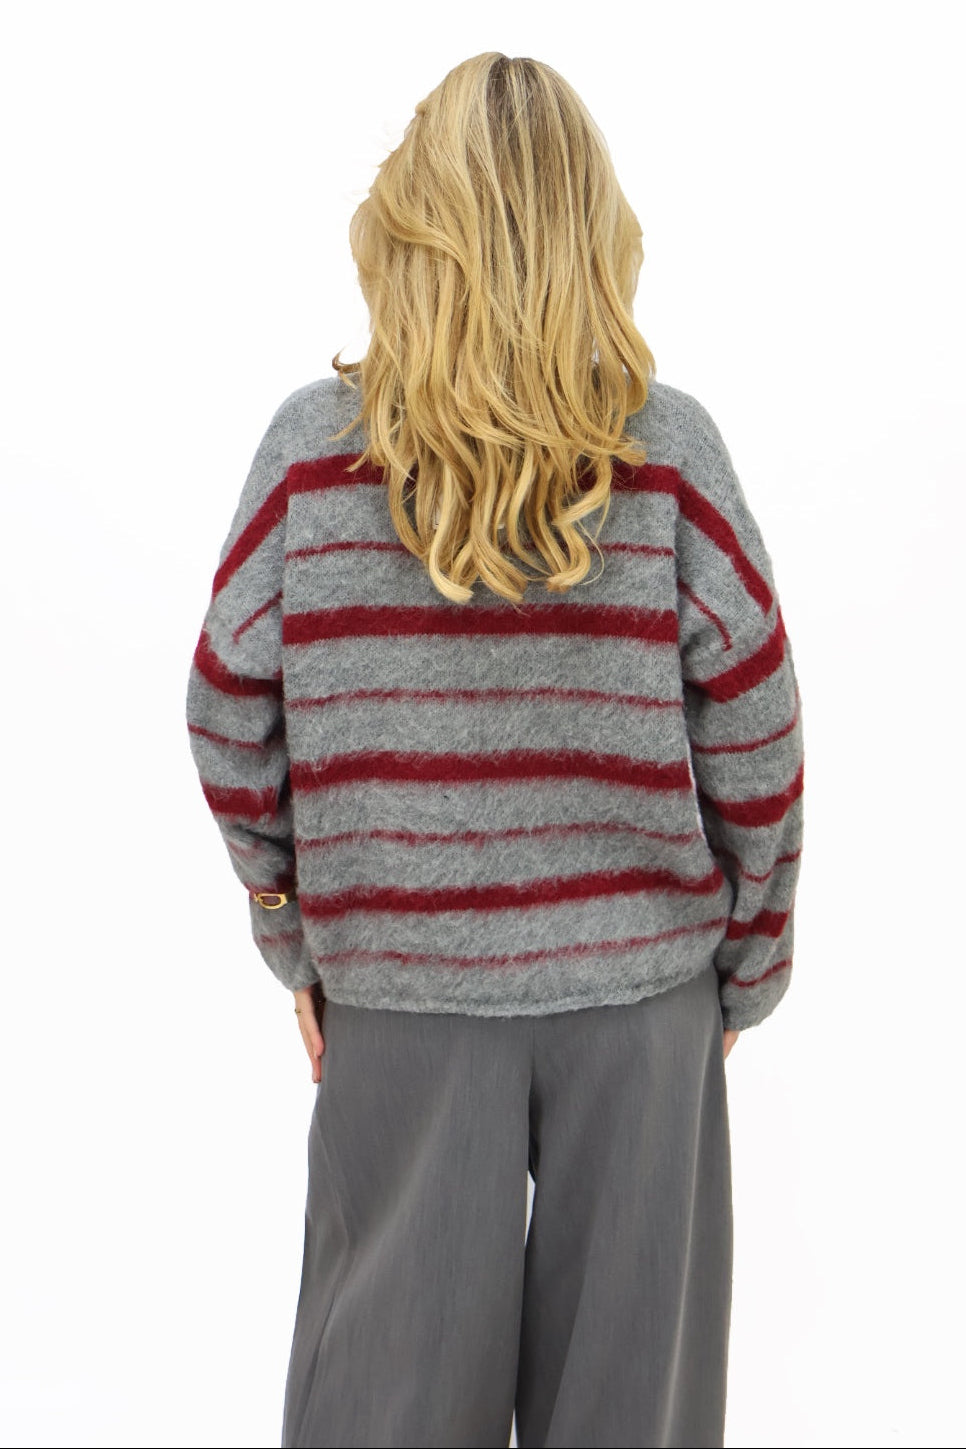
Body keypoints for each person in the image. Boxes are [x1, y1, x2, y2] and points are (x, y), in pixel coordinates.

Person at [185, 51, 805, 1449]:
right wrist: (746, 966)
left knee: (379, 1410)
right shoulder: (666, 453)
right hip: (640, 1008)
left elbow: (226, 701)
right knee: (633, 1418)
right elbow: (759, 731)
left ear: (405, 221)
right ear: (596, 227)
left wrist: (296, 930)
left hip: (400, 998)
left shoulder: (312, 452)